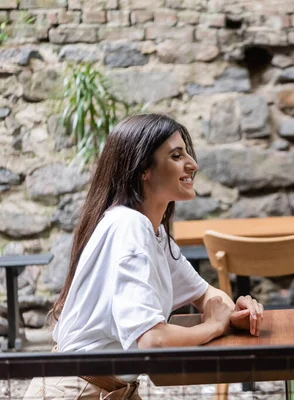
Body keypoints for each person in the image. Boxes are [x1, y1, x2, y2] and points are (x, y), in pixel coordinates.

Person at [24, 114, 264, 399]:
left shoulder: (154, 233)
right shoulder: (130, 226)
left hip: (107, 388)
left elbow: (207, 294)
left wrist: (232, 312)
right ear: (143, 170)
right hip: (74, 391)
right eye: (177, 155)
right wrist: (214, 325)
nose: (193, 164)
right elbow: (154, 341)